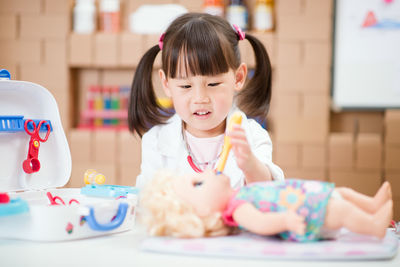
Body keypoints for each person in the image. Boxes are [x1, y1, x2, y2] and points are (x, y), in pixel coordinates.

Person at [128, 13, 283, 189]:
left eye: (213, 84)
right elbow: (148, 200)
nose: (200, 98)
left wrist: (250, 165)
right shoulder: (155, 141)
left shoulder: (253, 136)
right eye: (186, 86)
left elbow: (266, 191)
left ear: (238, 78)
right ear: (167, 84)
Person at [139, 170, 393, 241]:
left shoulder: (241, 192)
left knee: (344, 193)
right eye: (198, 184)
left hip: (312, 198)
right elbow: (261, 224)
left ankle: (371, 204)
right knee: (342, 211)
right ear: (203, 212)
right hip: (309, 214)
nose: (207, 172)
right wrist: (286, 221)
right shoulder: (237, 209)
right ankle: (373, 226)